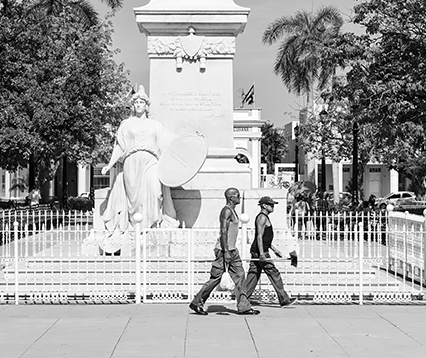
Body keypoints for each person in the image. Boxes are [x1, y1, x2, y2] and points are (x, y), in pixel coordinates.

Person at [101, 86, 177, 238]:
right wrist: (109, 165)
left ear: (146, 106)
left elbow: (171, 141)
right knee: (133, 198)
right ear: (133, 106)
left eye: (142, 102)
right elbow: (119, 147)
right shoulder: (126, 124)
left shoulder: (155, 125)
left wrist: (192, 139)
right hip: (131, 161)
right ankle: (136, 228)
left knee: (155, 192)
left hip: (151, 161)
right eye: (136, 103)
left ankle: (152, 225)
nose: (139, 105)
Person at [189, 187, 257, 315]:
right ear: (231, 197)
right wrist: (226, 251)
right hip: (224, 250)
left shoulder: (233, 211)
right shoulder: (226, 211)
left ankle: (244, 307)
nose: (239, 198)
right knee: (215, 278)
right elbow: (224, 231)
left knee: (241, 276)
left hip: (232, 250)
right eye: (237, 196)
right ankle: (197, 302)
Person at [243, 196, 294, 307]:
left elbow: (265, 238)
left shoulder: (265, 217)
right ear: (264, 205)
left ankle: (243, 299)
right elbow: (259, 237)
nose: (273, 207)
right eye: (271, 205)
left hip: (260, 250)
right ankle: (284, 299)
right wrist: (262, 254)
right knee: (274, 273)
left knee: (253, 276)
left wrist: (275, 250)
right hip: (260, 252)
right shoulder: (262, 218)